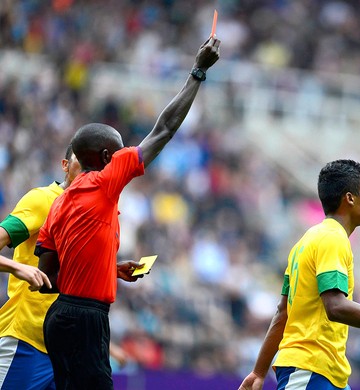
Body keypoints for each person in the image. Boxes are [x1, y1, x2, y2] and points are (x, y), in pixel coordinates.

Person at [34, 36, 221, 389]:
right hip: (88, 319)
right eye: (120, 152)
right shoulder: (106, 182)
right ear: (107, 158)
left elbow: (46, 280)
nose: (127, 156)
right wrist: (198, 72)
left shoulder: (59, 203)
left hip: (59, 317)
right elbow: (163, 131)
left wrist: (104, 269)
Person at [239, 159, 360, 390]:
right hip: (310, 368)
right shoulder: (332, 238)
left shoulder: (306, 242)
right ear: (350, 198)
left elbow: (284, 312)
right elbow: (336, 307)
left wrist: (258, 371)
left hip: (330, 375)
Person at [0, 145, 79, 389]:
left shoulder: (86, 213)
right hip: (25, 339)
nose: (91, 168)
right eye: (83, 160)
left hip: (63, 349)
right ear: (65, 165)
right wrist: (16, 267)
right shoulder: (43, 200)